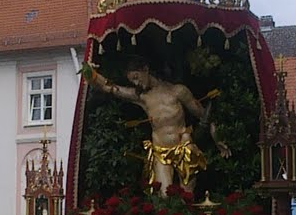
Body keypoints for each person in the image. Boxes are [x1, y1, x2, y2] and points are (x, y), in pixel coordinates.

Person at [84, 54, 230, 193]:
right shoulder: (141, 96)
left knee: (187, 196)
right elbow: (110, 88)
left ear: (145, 69)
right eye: (132, 81)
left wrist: (218, 139)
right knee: (164, 196)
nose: (136, 83)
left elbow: (204, 116)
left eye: (136, 77)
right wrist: (91, 74)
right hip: (161, 151)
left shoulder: (178, 91)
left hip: (184, 148)